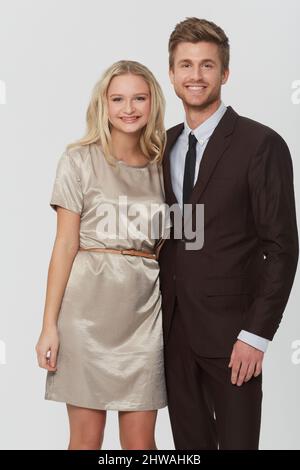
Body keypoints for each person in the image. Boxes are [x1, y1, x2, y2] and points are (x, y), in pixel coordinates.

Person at [159, 17, 299, 449]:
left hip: (233, 337)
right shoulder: (162, 146)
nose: (195, 76)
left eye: (206, 65)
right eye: (185, 65)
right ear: (172, 73)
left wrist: (256, 336)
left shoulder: (261, 144)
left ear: (224, 73)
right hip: (174, 334)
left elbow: (282, 247)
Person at [35, 60, 170, 450]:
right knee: (86, 439)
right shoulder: (78, 160)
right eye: (118, 98)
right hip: (86, 318)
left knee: (142, 443)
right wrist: (49, 325)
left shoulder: (165, 164)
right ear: (104, 104)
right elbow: (64, 246)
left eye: (139, 98)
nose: (129, 108)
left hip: (145, 316)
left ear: (153, 103)